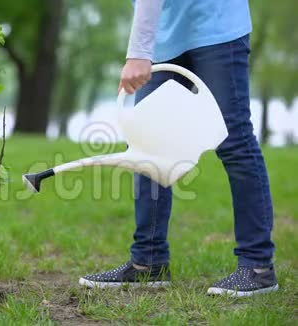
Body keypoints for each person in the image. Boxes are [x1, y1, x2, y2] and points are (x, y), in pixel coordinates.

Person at [79, 0, 278, 297]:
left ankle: (258, 267)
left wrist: (137, 54)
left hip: (216, 25)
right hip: (165, 33)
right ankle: (149, 261)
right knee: (147, 143)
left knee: (233, 139)